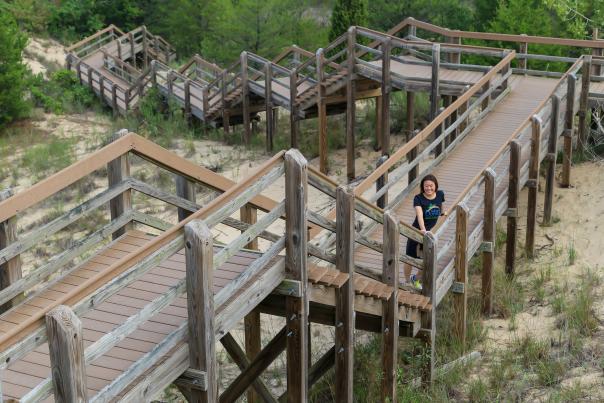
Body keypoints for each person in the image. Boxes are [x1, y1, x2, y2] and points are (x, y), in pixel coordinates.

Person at [405, 174, 446, 287]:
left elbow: (440, 204)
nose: (428, 188)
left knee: (428, 259)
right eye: (426, 186)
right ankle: (407, 281)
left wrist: (443, 213)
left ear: (435, 186)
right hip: (417, 231)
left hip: (429, 233)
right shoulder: (418, 198)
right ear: (423, 187)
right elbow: (419, 215)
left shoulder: (440, 194)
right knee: (410, 257)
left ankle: (416, 279)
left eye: (431, 186)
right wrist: (422, 229)